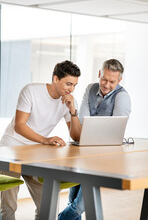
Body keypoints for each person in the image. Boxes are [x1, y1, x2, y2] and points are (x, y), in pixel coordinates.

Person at [0, 60, 81, 220]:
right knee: (9, 206)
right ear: (56, 79)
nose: (71, 89)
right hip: (11, 149)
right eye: (68, 84)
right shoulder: (31, 91)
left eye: (74, 85)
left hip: (34, 154)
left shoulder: (68, 101)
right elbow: (19, 126)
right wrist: (45, 140)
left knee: (48, 202)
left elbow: (77, 136)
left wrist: (72, 111)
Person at [58, 59, 131, 220]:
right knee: (72, 199)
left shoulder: (122, 97)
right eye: (104, 79)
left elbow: (115, 131)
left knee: (78, 206)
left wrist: (89, 131)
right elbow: (82, 122)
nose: (106, 84)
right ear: (99, 74)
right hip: (82, 153)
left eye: (112, 81)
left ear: (119, 81)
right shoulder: (90, 89)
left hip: (104, 157)